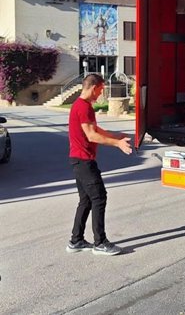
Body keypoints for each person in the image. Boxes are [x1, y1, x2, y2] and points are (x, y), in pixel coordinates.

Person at [66, 73, 132, 256]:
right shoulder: (83, 107)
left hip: (79, 160)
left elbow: (95, 130)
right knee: (99, 197)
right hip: (84, 161)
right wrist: (117, 144)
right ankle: (100, 242)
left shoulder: (83, 106)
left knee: (86, 200)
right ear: (93, 87)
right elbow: (91, 136)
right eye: (101, 90)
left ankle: (76, 240)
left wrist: (115, 135)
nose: (101, 94)